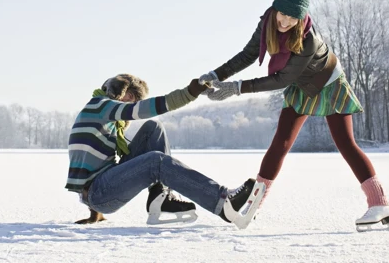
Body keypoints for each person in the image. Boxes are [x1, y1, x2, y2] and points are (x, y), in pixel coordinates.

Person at [198, 0, 389, 230]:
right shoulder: (267, 22)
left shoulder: (307, 39)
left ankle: (380, 204)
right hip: (302, 85)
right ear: (276, 9)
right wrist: (218, 74)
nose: (285, 22)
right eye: (283, 14)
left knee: (345, 143)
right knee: (281, 142)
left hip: (328, 83)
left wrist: (235, 88)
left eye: (293, 18)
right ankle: (255, 203)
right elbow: (248, 54)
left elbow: (283, 79)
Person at [66, 73, 261, 227]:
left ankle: (161, 197)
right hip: (99, 192)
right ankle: (223, 203)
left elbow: (88, 163)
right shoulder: (101, 106)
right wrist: (188, 93)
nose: (132, 107)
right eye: (132, 100)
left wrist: (95, 213)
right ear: (125, 93)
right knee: (156, 161)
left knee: (153, 129)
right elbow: (143, 109)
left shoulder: (99, 112)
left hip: (99, 190)